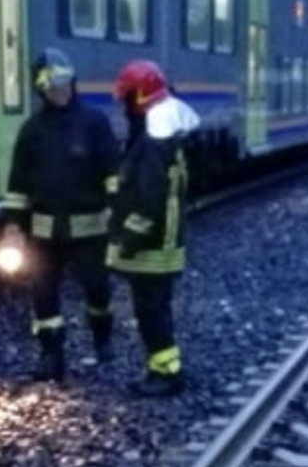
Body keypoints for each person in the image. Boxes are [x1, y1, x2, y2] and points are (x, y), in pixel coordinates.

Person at [3, 47, 120, 382]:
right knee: (43, 294)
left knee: (97, 289)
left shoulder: (94, 123)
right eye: (54, 85)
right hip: (43, 231)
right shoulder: (31, 131)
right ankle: (51, 354)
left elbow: (112, 171)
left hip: (89, 229)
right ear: (41, 88)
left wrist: (116, 207)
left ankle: (102, 338)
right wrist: (13, 226)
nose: (61, 90)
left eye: (65, 82)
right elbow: (17, 183)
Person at [107, 60, 199, 397]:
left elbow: (147, 200)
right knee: (154, 307)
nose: (124, 105)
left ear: (140, 97)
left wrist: (126, 240)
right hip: (163, 241)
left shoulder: (150, 145)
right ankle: (161, 368)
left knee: (151, 310)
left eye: (128, 97)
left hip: (152, 246)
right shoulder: (163, 139)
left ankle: (167, 374)